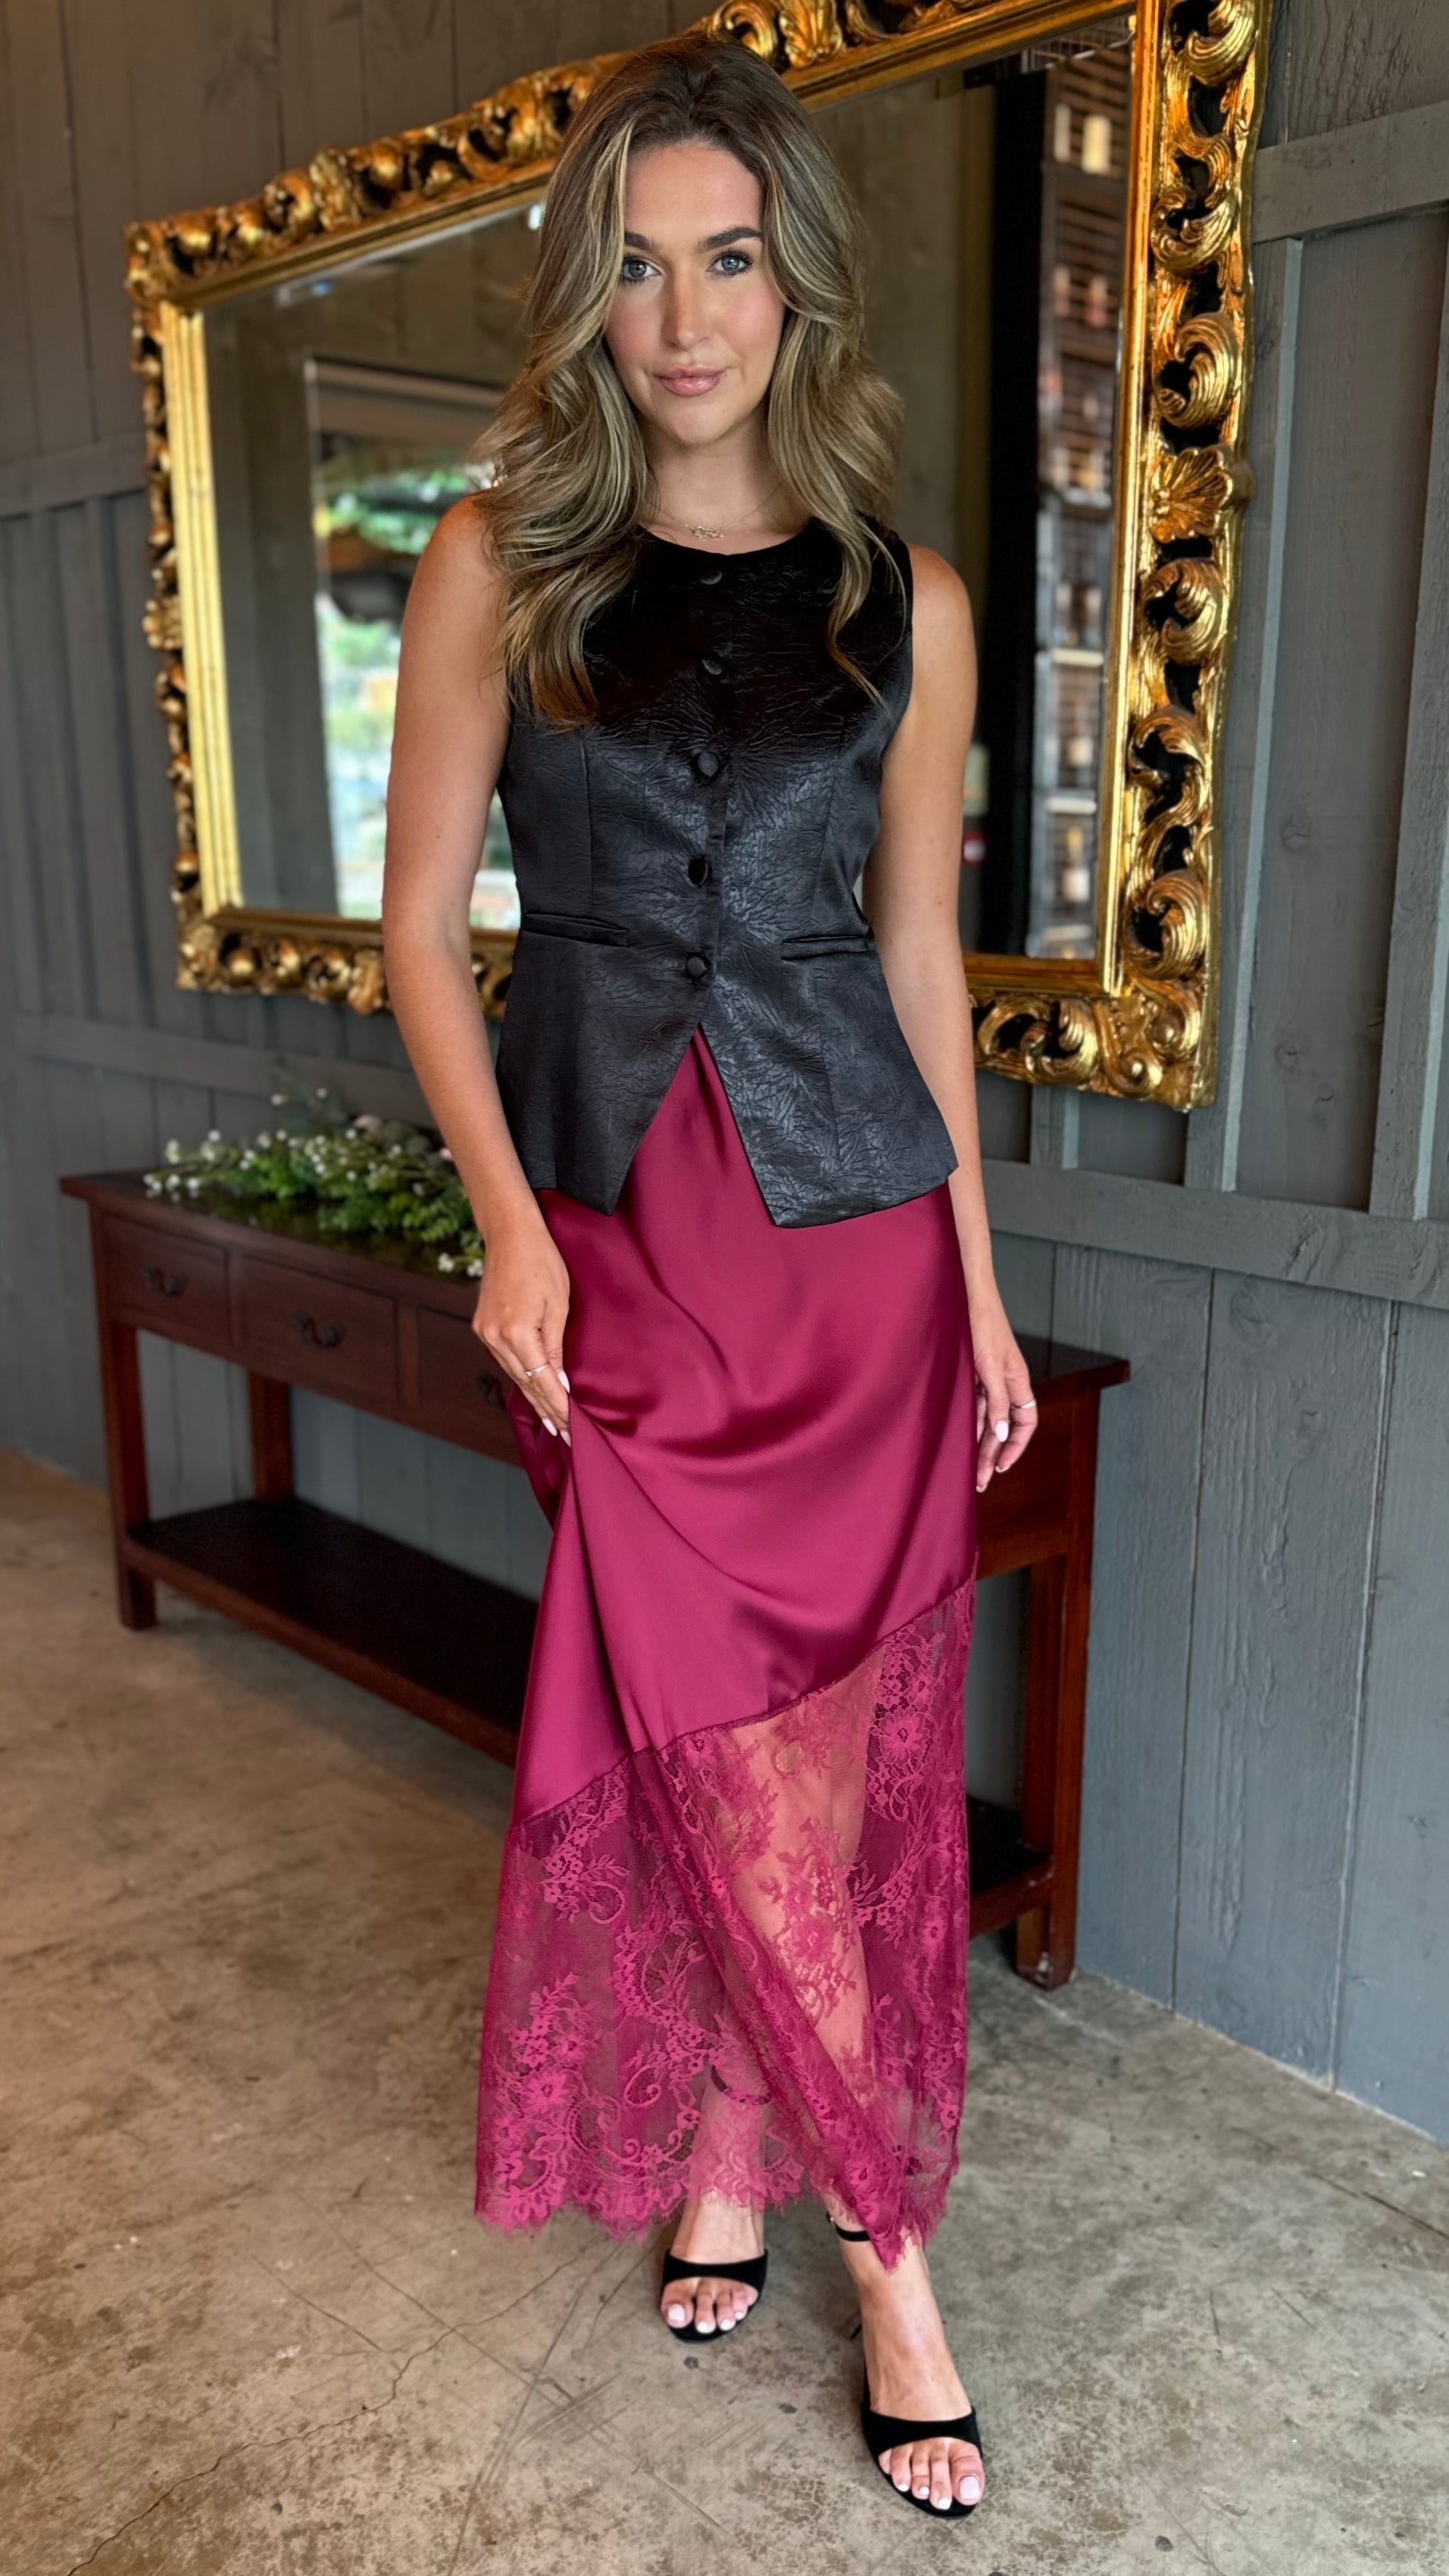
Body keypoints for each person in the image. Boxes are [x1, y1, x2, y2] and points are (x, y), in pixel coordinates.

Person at [382, 29, 1036, 2522]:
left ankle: (800, 2196)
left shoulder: (907, 604)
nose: (683, 318)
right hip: (622, 1255)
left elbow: (915, 969)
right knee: (698, 1742)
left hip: (855, 1257)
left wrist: (979, 1284)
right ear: (589, 292)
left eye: (728, 259)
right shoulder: (496, 561)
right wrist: (505, 1226)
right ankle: (863, 2220)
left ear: (796, 284)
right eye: (638, 266)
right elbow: (426, 936)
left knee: (811, 1763)